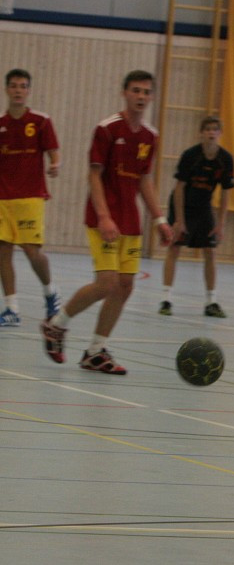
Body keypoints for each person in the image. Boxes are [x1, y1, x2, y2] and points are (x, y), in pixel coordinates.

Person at [39, 70, 172, 374]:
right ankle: (56, 325)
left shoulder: (150, 136)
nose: (141, 96)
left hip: (131, 221)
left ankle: (95, 352)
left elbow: (144, 181)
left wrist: (160, 220)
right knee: (107, 282)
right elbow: (94, 174)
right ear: (124, 93)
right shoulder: (107, 129)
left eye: (146, 92)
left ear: (151, 97)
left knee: (125, 286)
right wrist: (103, 216)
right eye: (135, 91)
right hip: (104, 217)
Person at [0, 68, 62, 327]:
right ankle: (11, 308)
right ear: (6, 89)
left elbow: (53, 150)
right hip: (3, 198)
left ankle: (50, 292)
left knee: (31, 251)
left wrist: (55, 164)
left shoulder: (40, 121)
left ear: (28, 91)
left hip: (31, 197)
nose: (18, 90)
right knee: (3, 252)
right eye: (14, 85)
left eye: (23, 86)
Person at [159, 115, 234, 318]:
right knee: (174, 249)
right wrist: (179, 221)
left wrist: (221, 224)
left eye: (215, 129)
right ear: (201, 133)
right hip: (182, 205)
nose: (211, 132)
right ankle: (166, 299)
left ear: (220, 134)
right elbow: (179, 188)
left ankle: (211, 301)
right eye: (207, 129)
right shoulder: (190, 156)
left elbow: (226, 192)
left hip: (203, 208)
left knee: (210, 251)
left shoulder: (225, 159)